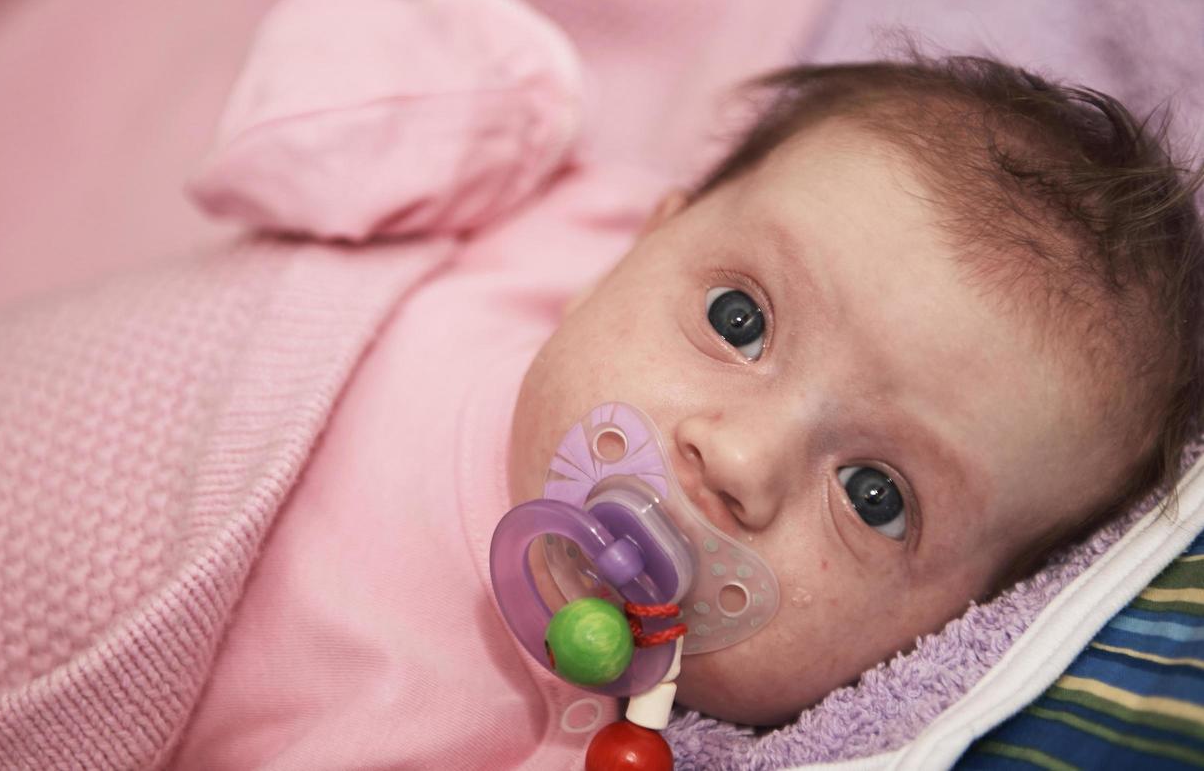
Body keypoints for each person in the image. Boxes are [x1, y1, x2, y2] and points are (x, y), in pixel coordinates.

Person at [173, 51, 1204, 767]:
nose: (742, 461)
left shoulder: (562, 744)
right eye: (738, 317)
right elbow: (299, 127)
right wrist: (479, 99)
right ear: (640, 240)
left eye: (876, 493)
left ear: (953, 625)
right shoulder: (544, 221)